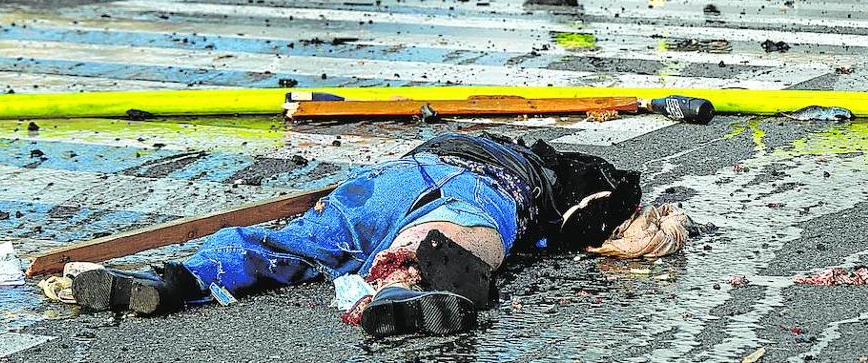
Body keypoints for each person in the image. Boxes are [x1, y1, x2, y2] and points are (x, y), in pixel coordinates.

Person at [62, 130, 702, 337]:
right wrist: (645, 229)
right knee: (456, 241)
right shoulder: (564, 177)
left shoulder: (483, 142)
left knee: (303, 240)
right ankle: (405, 292)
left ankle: (176, 279)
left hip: (392, 177)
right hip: (481, 187)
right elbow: (593, 218)